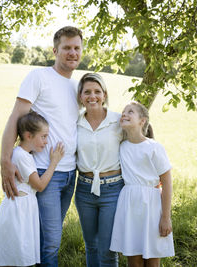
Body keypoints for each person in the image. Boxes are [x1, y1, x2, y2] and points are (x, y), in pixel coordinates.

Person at [0, 26, 83, 266]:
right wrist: (5, 160)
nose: (72, 52)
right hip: (46, 171)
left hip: (70, 173)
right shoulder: (39, 77)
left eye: (77, 48)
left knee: (45, 235)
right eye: (67, 47)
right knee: (51, 241)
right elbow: (15, 117)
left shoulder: (75, 87)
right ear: (55, 50)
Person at [0, 111, 65, 266]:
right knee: (16, 254)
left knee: (20, 254)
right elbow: (40, 185)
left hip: (24, 207)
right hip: (19, 209)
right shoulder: (22, 156)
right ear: (28, 135)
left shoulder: (23, 154)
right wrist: (54, 162)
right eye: (43, 136)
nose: (46, 142)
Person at [110, 102, 175, 267]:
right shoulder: (121, 146)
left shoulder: (153, 147)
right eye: (123, 112)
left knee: (153, 258)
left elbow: (166, 182)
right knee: (134, 259)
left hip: (152, 206)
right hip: (130, 206)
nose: (124, 114)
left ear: (142, 121)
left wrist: (166, 217)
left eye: (130, 112)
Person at [75, 73, 124, 267]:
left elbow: (139, 144)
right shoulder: (75, 122)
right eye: (87, 92)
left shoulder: (118, 121)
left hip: (113, 190)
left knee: (108, 250)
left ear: (104, 95)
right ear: (81, 96)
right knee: (91, 247)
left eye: (97, 91)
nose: (92, 96)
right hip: (84, 190)